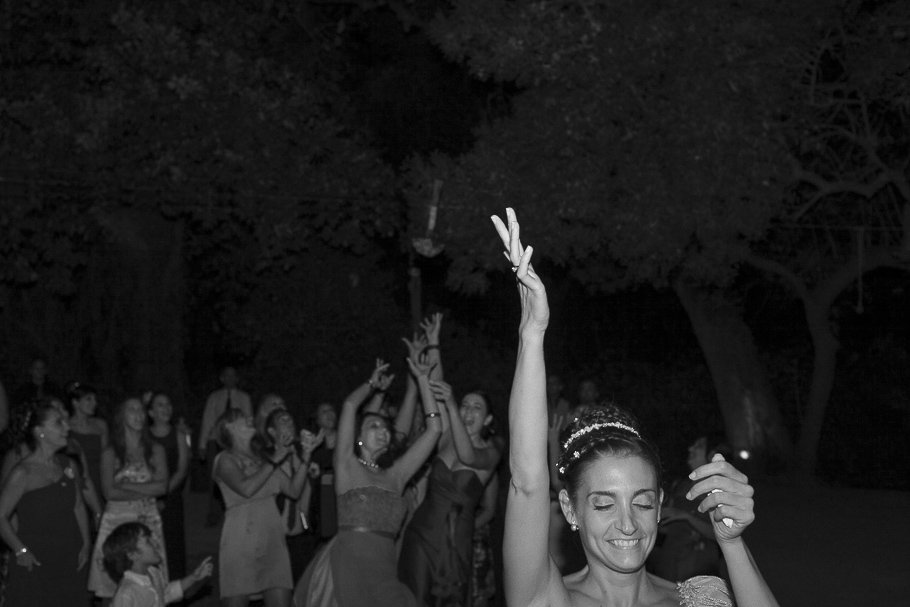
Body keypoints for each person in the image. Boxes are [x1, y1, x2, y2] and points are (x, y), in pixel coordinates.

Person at [491, 207, 779, 607]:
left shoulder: (701, 598)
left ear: (660, 506)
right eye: (604, 503)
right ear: (569, 511)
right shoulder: (549, 600)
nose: (627, 523)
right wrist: (532, 333)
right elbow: (526, 480)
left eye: (642, 501)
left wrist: (729, 541)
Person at [293, 358, 443, 607]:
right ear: (359, 438)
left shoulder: (397, 474)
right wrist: (371, 383)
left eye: (385, 427)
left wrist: (424, 380)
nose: (383, 430)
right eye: (374, 426)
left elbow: (435, 429)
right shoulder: (347, 466)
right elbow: (351, 404)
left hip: (384, 569)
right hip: (347, 566)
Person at [399, 378, 503, 606]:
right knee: (412, 596)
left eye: (476, 408)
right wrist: (432, 350)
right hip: (421, 531)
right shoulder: (446, 436)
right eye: (465, 404)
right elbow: (438, 384)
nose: (468, 411)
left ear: (487, 419)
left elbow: (468, 457)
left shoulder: (492, 450)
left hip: (455, 540)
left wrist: (453, 406)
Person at [211, 405, 318, 606]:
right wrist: (275, 459)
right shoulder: (224, 459)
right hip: (241, 541)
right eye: (243, 417)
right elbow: (246, 488)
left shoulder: (261, 458)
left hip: (272, 539)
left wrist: (306, 457)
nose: (250, 418)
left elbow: (294, 490)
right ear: (230, 427)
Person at [0, 398, 91, 605]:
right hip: (37, 558)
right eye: (59, 423)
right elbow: (1, 515)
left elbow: (77, 505)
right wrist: (19, 549)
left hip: (69, 555)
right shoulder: (23, 472)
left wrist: (86, 542)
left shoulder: (68, 465)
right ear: (40, 431)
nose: (67, 427)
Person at [89, 396, 170, 602]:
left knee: (151, 584)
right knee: (114, 587)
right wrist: (146, 489)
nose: (139, 415)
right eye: (132, 410)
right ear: (121, 417)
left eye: (141, 410)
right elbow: (109, 493)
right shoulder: (111, 452)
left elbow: (162, 487)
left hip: (147, 522)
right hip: (117, 522)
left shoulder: (155, 450)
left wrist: (125, 486)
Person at [648, 434, 731, 581]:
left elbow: (722, 534)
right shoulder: (681, 485)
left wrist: (686, 517)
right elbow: (668, 527)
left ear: (712, 455)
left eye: (698, 447)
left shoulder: (720, 489)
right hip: (669, 562)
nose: (690, 448)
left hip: (699, 566)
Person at [103, 521, 213, 607]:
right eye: (148, 541)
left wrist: (193, 578)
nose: (155, 543)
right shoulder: (127, 593)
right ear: (133, 555)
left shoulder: (154, 572)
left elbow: (166, 594)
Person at [198, 366, 253, 526]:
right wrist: (202, 444)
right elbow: (207, 420)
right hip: (216, 441)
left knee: (240, 476)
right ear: (222, 379)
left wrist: (249, 445)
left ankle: (237, 512)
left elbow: (249, 419)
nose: (230, 379)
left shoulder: (244, 398)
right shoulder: (214, 397)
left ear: (237, 378)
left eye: (233, 375)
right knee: (214, 479)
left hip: (237, 443)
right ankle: (214, 514)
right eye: (226, 376)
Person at [148, 392, 190, 581]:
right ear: (150, 412)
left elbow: (181, 470)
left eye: (168, 404)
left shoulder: (178, 435)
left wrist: (163, 495)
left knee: (173, 545)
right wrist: (152, 496)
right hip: (147, 497)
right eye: (160, 405)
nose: (166, 409)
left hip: (171, 496)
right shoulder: (144, 436)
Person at [67, 382, 110, 517]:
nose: (94, 403)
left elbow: (107, 455)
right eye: (88, 399)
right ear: (75, 402)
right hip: (77, 478)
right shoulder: (66, 426)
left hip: (99, 477)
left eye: (95, 399)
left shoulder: (101, 425)